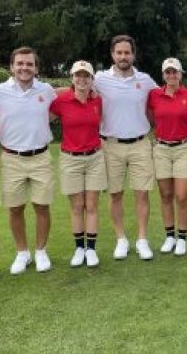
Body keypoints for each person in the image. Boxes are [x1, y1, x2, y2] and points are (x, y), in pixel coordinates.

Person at [94, 35, 158, 260]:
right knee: (115, 195)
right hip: (110, 145)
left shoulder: (145, 80)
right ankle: (121, 239)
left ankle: (142, 239)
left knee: (142, 194)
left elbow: (162, 100)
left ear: (133, 54)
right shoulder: (99, 79)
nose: (123, 56)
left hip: (140, 144)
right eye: (119, 52)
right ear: (112, 54)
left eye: (127, 52)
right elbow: (75, 91)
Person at [0, 46, 56, 274]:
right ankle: (22, 253)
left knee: (42, 206)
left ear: (36, 68)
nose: (24, 68)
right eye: (20, 63)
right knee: (15, 209)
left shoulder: (46, 90)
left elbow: (64, 98)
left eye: (29, 64)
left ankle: (41, 251)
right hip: (12, 158)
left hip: (40, 157)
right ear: (11, 67)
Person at [50, 60, 107, 267]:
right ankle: (79, 248)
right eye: (78, 75)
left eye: (86, 76)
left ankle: (91, 249)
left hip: (94, 158)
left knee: (91, 205)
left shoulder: (97, 101)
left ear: (92, 79)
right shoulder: (61, 101)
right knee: (76, 206)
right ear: (72, 78)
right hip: (70, 159)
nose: (82, 79)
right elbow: (43, 115)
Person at [147, 58, 187, 256]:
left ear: (181, 74)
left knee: (181, 196)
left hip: (183, 149)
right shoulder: (154, 95)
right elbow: (150, 119)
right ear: (163, 75)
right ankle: (169, 236)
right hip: (161, 149)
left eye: (175, 72)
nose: (172, 76)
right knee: (165, 195)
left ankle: (182, 238)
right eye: (168, 72)